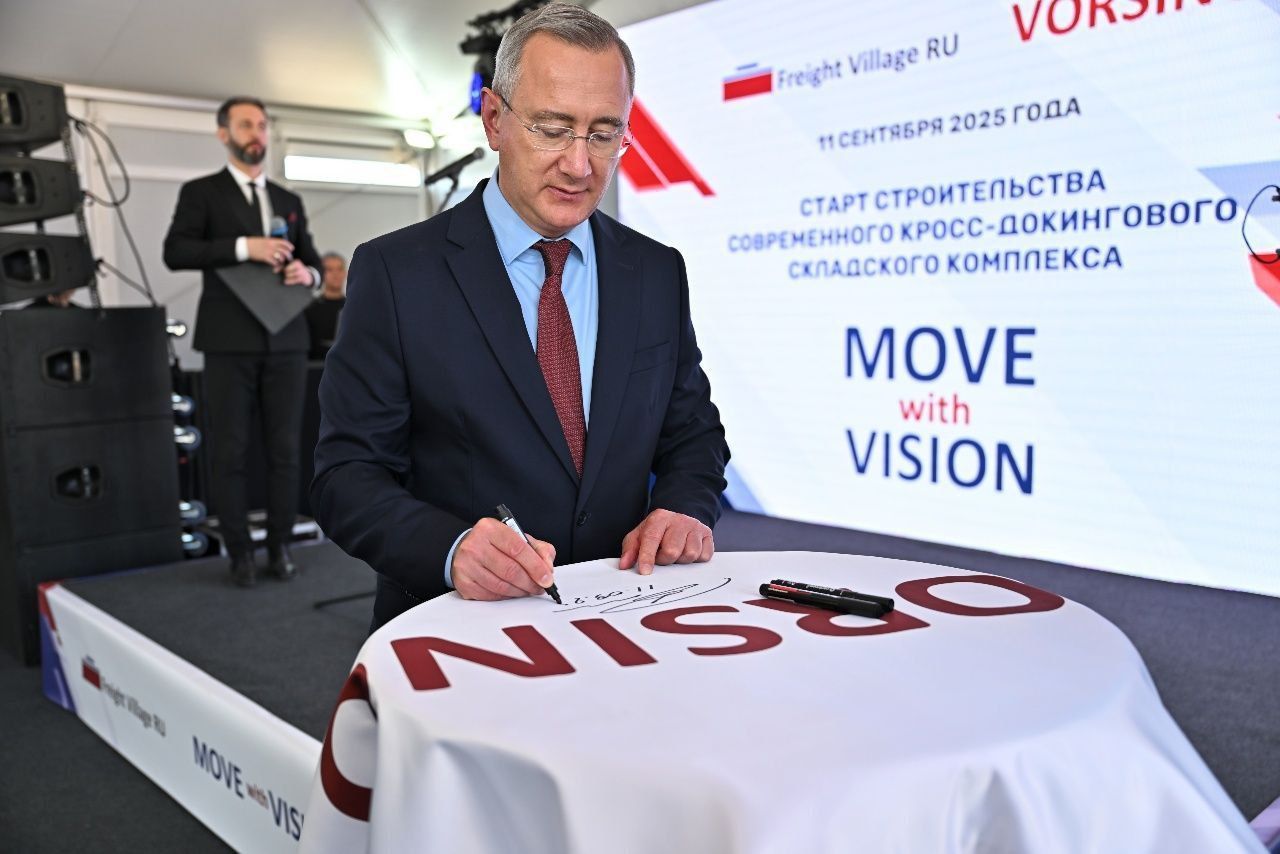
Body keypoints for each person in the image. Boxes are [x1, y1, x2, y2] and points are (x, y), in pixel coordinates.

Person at [313, 3, 730, 631]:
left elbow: (693, 432)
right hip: (458, 631)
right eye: (553, 129)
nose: (579, 165)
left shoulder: (656, 271)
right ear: (493, 120)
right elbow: (346, 476)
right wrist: (451, 550)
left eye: (603, 134)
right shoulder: (397, 273)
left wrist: (685, 506)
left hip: (630, 622)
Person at [163, 96, 323, 588]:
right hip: (228, 340)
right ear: (224, 134)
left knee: (286, 450)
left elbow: (313, 260)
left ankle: (279, 546)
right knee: (229, 451)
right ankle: (239, 553)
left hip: (286, 339)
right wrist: (243, 247)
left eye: (262, 125)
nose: (257, 133)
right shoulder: (202, 193)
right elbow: (176, 251)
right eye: (246, 125)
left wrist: (309, 274)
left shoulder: (287, 199)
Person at [305, 252, 346, 360]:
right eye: (329, 270)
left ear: (346, 273)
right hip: (315, 365)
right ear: (322, 273)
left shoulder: (354, 307)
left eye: (340, 269)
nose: (336, 274)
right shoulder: (309, 308)